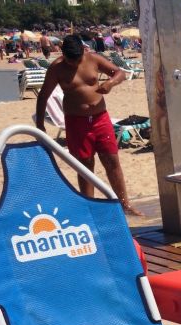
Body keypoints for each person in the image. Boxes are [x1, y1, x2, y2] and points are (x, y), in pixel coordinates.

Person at [35, 35, 143, 217]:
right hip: (76, 121)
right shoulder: (57, 68)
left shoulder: (94, 59)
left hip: (100, 119)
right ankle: (90, 208)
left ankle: (124, 205)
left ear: (83, 51)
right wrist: (40, 125)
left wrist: (110, 83)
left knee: (112, 161)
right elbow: (43, 95)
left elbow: (120, 73)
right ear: (63, 54)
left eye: (77, 60)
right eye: (70, 61)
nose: (74, 64)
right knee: (85, 165)